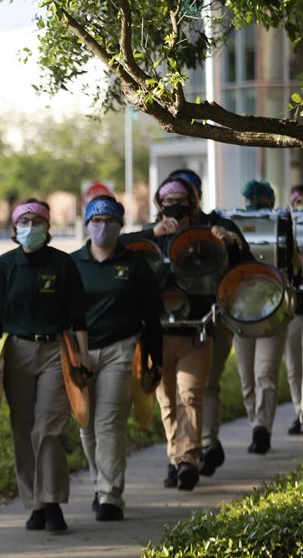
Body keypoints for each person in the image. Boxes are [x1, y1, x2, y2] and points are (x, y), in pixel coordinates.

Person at [123, 177, 249, 490]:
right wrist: (154, 233)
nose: (174, 206)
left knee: (191, 396)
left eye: (180, 199)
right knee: (167, 401)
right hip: (158, 334)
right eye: (167, 201)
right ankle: (176, 458)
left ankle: (188, 460)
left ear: (192, 202)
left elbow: (243, 267)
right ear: (159, 205)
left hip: (196, 330)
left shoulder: (212, 230)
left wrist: (230, 240)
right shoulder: (152, 237)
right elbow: (118, 249)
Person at [0, 198, 91, 532]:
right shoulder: (4, 265)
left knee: (49, 428)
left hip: (55, 350)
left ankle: (53, 501)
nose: (30, 227)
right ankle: (34, 503)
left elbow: (78, 316)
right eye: (24, 221)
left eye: (37, 221)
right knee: (22, 429)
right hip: (16, 351)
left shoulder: (62, 264)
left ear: (47, 226)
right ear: (15, 229)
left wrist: (83, 357)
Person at [71, 196, 163, 521]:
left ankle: (110, 495)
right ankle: (100, 485)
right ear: (86, 224)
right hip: (79, 352)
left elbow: (152, 317)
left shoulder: (135, 266)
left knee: (109, 422)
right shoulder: (73, 263)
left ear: (120, 226)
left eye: (109, 221)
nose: (102, 226)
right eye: (95, 221)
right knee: (86, 423)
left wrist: (156, 361)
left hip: (121, 349)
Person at [231, 181, 293, 453]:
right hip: (240, 312)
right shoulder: (232, 227)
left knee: (265, 372)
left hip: (274, 309)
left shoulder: (282, 225)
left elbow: (293, 265)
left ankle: (262, 429)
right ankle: (256, 422)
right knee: (247, 376)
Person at [285, 183, 303, 435]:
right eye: (298, 201)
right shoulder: (284, 231)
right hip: (291, 309)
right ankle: (298, 411)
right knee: (293, 366)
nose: (302, 206)